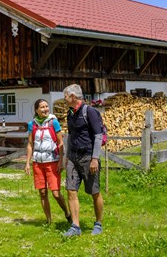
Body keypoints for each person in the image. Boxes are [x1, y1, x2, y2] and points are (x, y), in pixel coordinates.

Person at [62, 84, 104, 237]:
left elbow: (98, 136)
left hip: (88, 157)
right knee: (71, 190)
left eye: (66, 96)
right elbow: (70, 135)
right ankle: (75, 226)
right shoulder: (70, 113)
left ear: (73, 97)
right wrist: (67, 157)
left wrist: (95, 159)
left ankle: (98, 223)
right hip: (73, 156)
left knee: (94, 192)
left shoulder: (90, 112)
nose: (64, 99)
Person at [25, 99, 71, 225]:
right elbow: (30, 144)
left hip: (52, 161)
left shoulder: (53, 122)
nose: (45, 109)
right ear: (36, 110)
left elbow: (61, 143)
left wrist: (61, 161)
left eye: (46, 106)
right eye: (42, 107)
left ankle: (67, 213)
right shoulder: (32, 124)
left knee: (56, 193)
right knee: (42, 192)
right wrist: (27, 163)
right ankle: (49, 220)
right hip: (38, 163)